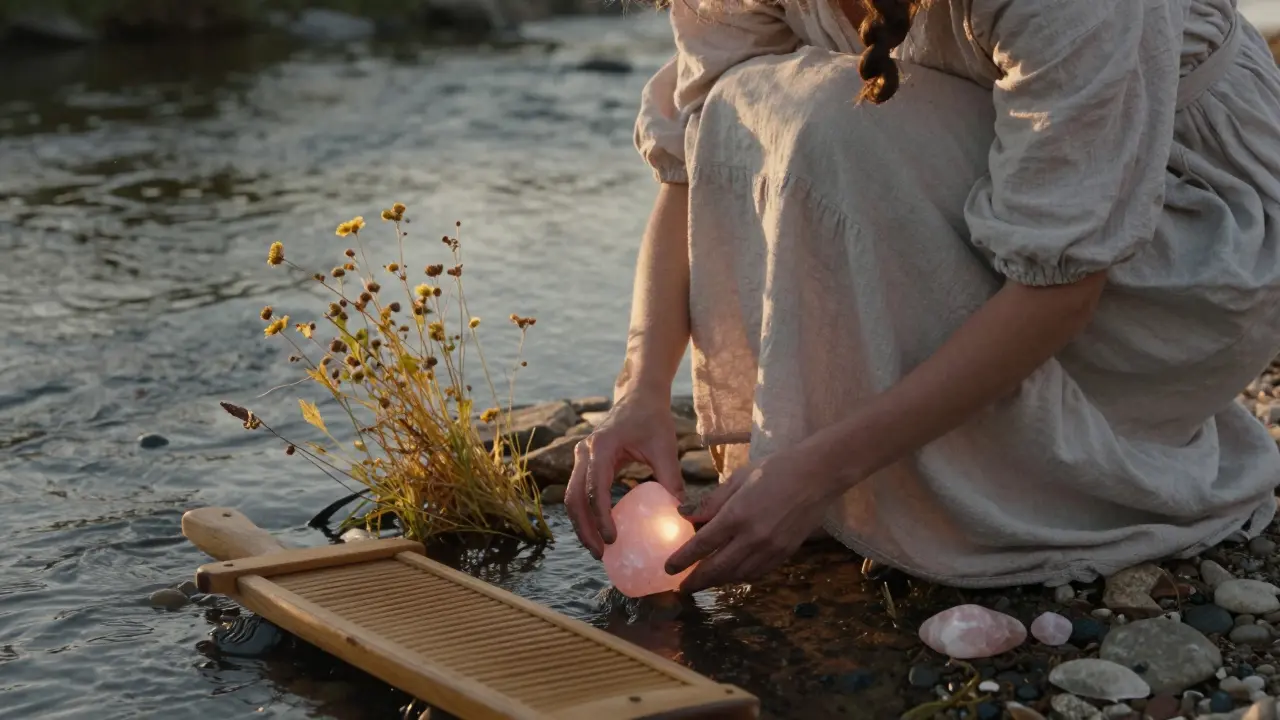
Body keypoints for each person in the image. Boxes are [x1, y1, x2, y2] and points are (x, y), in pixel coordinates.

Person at [566, 0, 1280, 594]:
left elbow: (1060, 289)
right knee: (747, 103)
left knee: (832, 126)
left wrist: (820, 471)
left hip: (1189, 246)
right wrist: (639, 392)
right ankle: (850, 464)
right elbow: (695, 162)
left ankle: (996, 482)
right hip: (1010, 195)